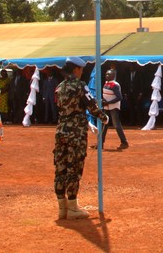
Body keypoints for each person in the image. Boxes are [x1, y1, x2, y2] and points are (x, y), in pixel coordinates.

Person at [53, 56, 109, 220]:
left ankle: (62, 208)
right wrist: (103, 117)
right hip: (76, 133)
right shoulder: (80, 86)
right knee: (74, 167)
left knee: (60, 168)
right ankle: (72, 207)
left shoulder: (60, 87)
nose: (82, 72)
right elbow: (91, 105)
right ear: (76, 70)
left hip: (61, 129)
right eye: (81, 69)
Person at [101, 68, 129, 149]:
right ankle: (100, 144)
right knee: (104, 124)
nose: (107, 76)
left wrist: (108, 102)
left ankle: (124, 142)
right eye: (106, 74)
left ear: (113, 76)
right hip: (106, 106)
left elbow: (119, 97)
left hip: (113, 107)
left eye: (109, 74)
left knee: (116, 124)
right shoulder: (106, 83)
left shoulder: (115, 85)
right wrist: (104, 100)